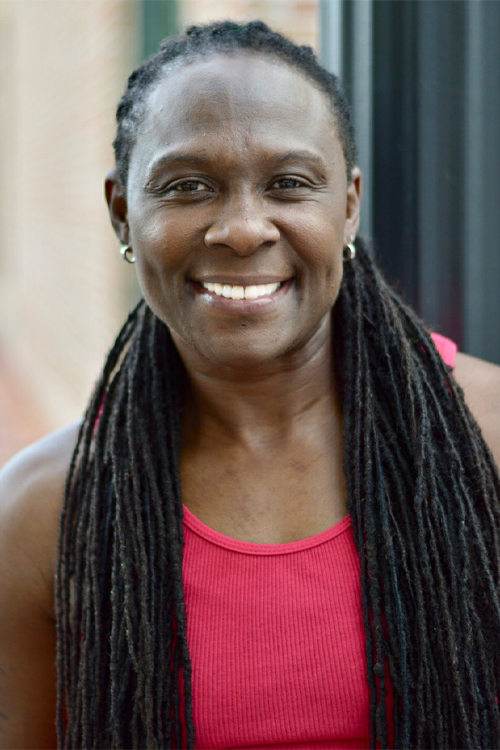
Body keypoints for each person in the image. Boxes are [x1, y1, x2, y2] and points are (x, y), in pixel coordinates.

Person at [1, 19, 500, 750]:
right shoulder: (42, 517)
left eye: (289, 184)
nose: (242, 229)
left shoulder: (485, 441)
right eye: (189, 185)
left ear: (349, 205)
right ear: (122, 213)